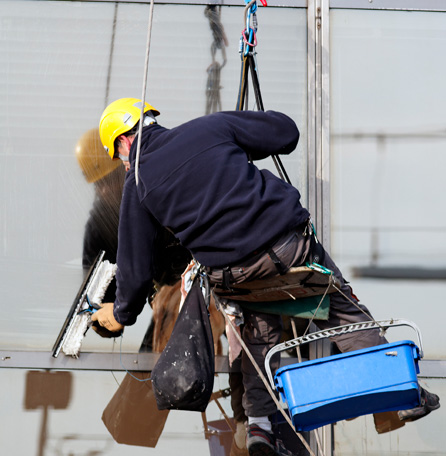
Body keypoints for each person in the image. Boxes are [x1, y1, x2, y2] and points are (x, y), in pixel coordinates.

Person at [92, 98, 440, 456]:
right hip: (286, 250)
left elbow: (134, 265)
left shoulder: (138, 182)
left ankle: (259, 427)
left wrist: (120, 316)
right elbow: (286, 132)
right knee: (340, 310)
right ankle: (401, 393)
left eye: (117, 155)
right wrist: (234, 143)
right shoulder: (208, 128)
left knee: (259, 335)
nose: (122, 163)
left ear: (123, 141)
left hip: (234, 276)